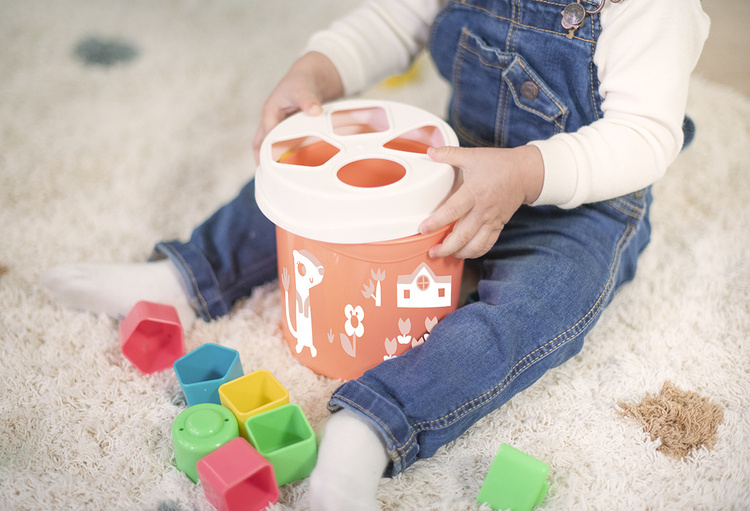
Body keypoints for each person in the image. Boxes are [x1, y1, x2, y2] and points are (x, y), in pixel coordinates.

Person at [42, 0, 710, 509]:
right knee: (310, 189)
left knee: (542, 305)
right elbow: (393, 19)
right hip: (457, 163)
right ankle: (184, 276)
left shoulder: (652, 10)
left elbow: (644, 136)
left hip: (579, 207)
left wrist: (526, 173)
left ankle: (373, 423)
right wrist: (316, 70)